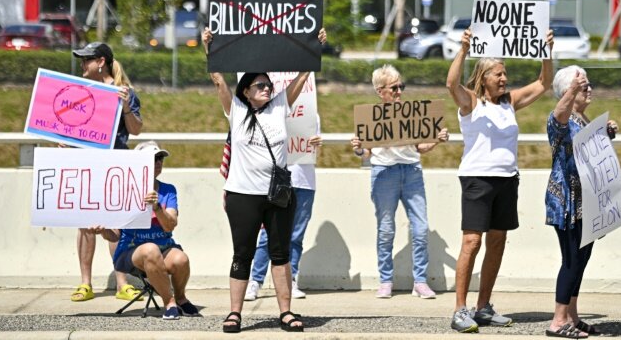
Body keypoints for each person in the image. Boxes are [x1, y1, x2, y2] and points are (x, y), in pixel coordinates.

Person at [202, 26, 327, 334]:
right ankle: (234, 313)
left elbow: (301, 77)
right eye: (260, 85)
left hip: (277, 195)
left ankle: (286, 312)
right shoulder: (236, 109)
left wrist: (316, 47)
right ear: (246, 90)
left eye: (269, 84)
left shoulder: (280, 106)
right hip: (243, 195)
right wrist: (209, 47)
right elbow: (218, 78)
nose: (267, 88)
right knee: (242, 253)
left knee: (280, 253)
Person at [445, 27, 553, 333]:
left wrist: (546, 51)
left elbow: (544, 82)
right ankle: (459, 309)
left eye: (505, 74)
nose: (504, 79)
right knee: (472, 241)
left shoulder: (509, 101)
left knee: (497, 241)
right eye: (498, 74)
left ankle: (484, 307)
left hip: (507, 180)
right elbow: (451, 83)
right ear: (484, 77)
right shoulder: (471, 103)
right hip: (478, 179)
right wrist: (463, 50)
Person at [350, 64, 449, 300]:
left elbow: (420, 147)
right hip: (384, 173)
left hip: (412, 171)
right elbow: (366, 154)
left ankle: (420, 281)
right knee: (386, 229)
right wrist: (358, 149)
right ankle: (385, 280)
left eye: (400, 87)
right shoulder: (371, 118)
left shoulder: (411, 113)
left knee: (421, 228)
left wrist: (436, 140)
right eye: (394, 88)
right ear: (380, 90)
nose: (399, 92)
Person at [545, 66, 617, 338]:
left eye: (588, 85)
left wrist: (605, 132)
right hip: (567, 201)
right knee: (571, 259)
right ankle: (557, 320)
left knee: (582, 259)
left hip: (586, 201)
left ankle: (571, 316)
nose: (590, 90)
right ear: (569, 92)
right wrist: (573, 87)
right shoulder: (559, 119)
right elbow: (559, 116)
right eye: (583, 87)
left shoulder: (582, 119)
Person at [90, 140, 200, 320]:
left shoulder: (168, 190)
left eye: (160, 159)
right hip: (131, 252)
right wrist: (102, 231)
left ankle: (181, 298)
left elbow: (170, 225)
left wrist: (157, 207)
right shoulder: (124, 190)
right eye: (153, 158)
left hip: (163, 247)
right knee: (150, 249)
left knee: (181, 259)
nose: (158, 162)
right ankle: (169, 302)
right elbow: (115, 235)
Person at [70, 42, 144, 303]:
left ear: (100, 62)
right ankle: (85, 283)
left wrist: (124, 106)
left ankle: (122, 283)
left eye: (86, 60)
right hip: (87, 163)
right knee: (85, 225)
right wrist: (62, 139)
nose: (82, 64)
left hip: (114, 165)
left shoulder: (125, 93)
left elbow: (135, 130)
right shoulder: (79, 92)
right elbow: (73, 127)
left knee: (115, 223)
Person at [245, 123, 322, 301]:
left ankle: (291, 279)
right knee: (267, 235)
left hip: (305, 183)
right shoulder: (274, 113)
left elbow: (316, 155)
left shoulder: (311, 114)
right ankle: (256, 280)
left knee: (296, 236)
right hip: (278, 180)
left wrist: (317, 146)